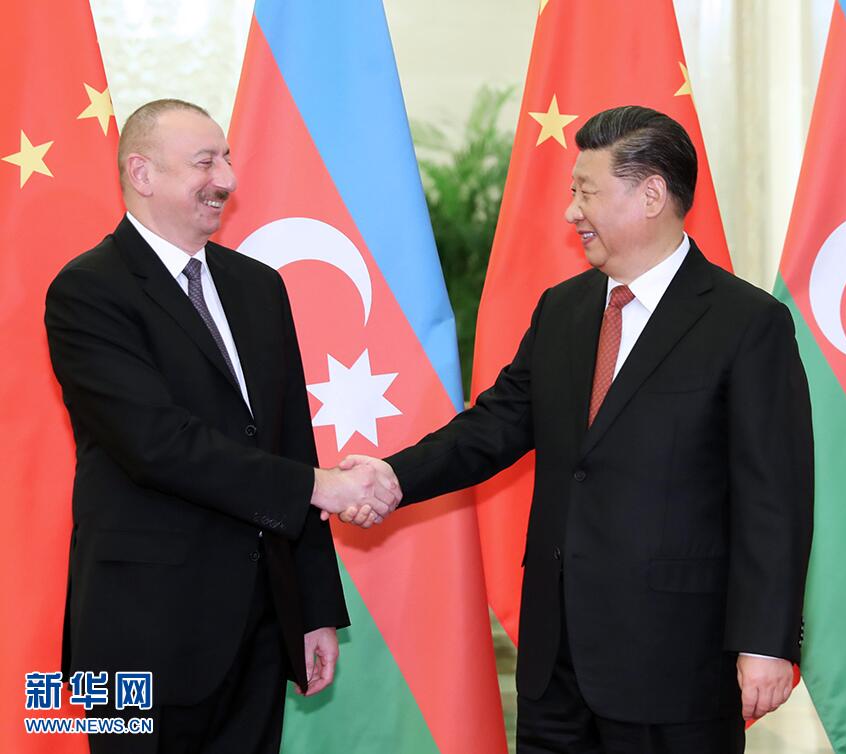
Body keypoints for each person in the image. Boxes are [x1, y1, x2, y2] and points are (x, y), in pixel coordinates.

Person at [338, 106, 814, 754]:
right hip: (555, 664)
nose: (571, 211)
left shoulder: (745, 323)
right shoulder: (563, 309)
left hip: (676, 663)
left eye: (586, 191)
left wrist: (765, 642)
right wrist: (392, 476)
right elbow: (495, 424)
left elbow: (774, 499)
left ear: (651, 195)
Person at [44, 99, 398, 753]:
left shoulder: (258, 286)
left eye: (227, 159)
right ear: (142, 173)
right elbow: (156, 444)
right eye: (205, 162)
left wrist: (313, 610)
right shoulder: (88, 290)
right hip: (138, 632)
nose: (227, 179)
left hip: (258, 626)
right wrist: (318, 486)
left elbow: (291, 441)